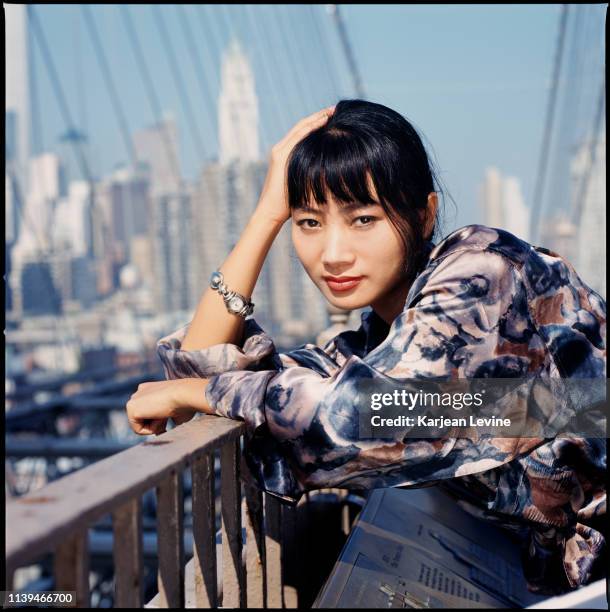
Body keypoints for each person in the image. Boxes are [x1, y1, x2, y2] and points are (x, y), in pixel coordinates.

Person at [126, 100, 606, 595]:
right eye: (309, 223)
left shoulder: (483, 276)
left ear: (425, 216)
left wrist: (203, 393)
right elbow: (201, 363)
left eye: (363, 220)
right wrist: (268, 211)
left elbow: (360, 416)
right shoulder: (379, 342)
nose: (333, 254)